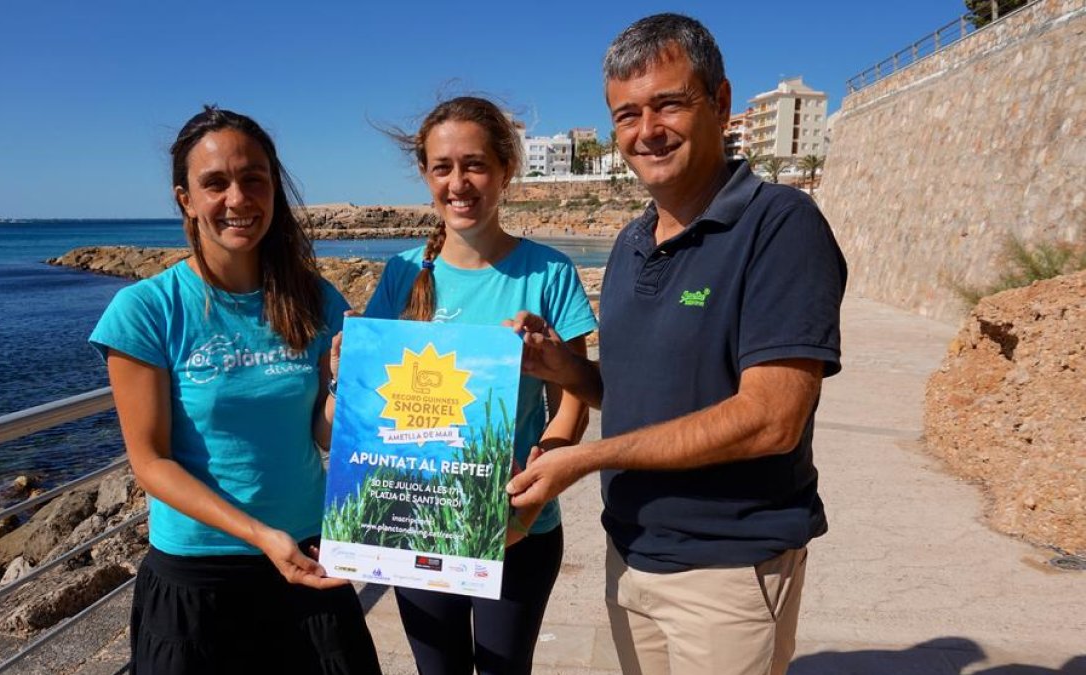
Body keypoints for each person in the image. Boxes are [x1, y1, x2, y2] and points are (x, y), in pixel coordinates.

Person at [505, 14, 847, 675]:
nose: (647, 130)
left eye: (668, 103)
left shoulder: (781, 225)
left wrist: (586, 459)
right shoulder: (633, 243)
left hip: (727, 568)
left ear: (718, 103)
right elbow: (632, 392)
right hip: (631, 551)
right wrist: (563, 365)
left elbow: (771, 418)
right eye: (627, 114)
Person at [89, 106, 381, 674]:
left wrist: (349, 388)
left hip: (310, 555)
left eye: (254, 179)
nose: (238, 199)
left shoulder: (316, 299)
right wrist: (259, 535)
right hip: (199, 578)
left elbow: (321, 430)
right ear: (185, 199)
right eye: (215, 183)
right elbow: (150, 462)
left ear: (274, 188)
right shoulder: (146, 310)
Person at [361, 96, 597, 674]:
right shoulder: (399, 273)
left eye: (475, 165)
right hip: (416, 521)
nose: (459, 183)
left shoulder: (549, 273)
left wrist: (533, 492)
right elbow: (369, 403)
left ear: (505, 172)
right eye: (442, 167)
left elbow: (573, 402)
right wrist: (349, 369)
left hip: (518, 526)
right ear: (425, 175)